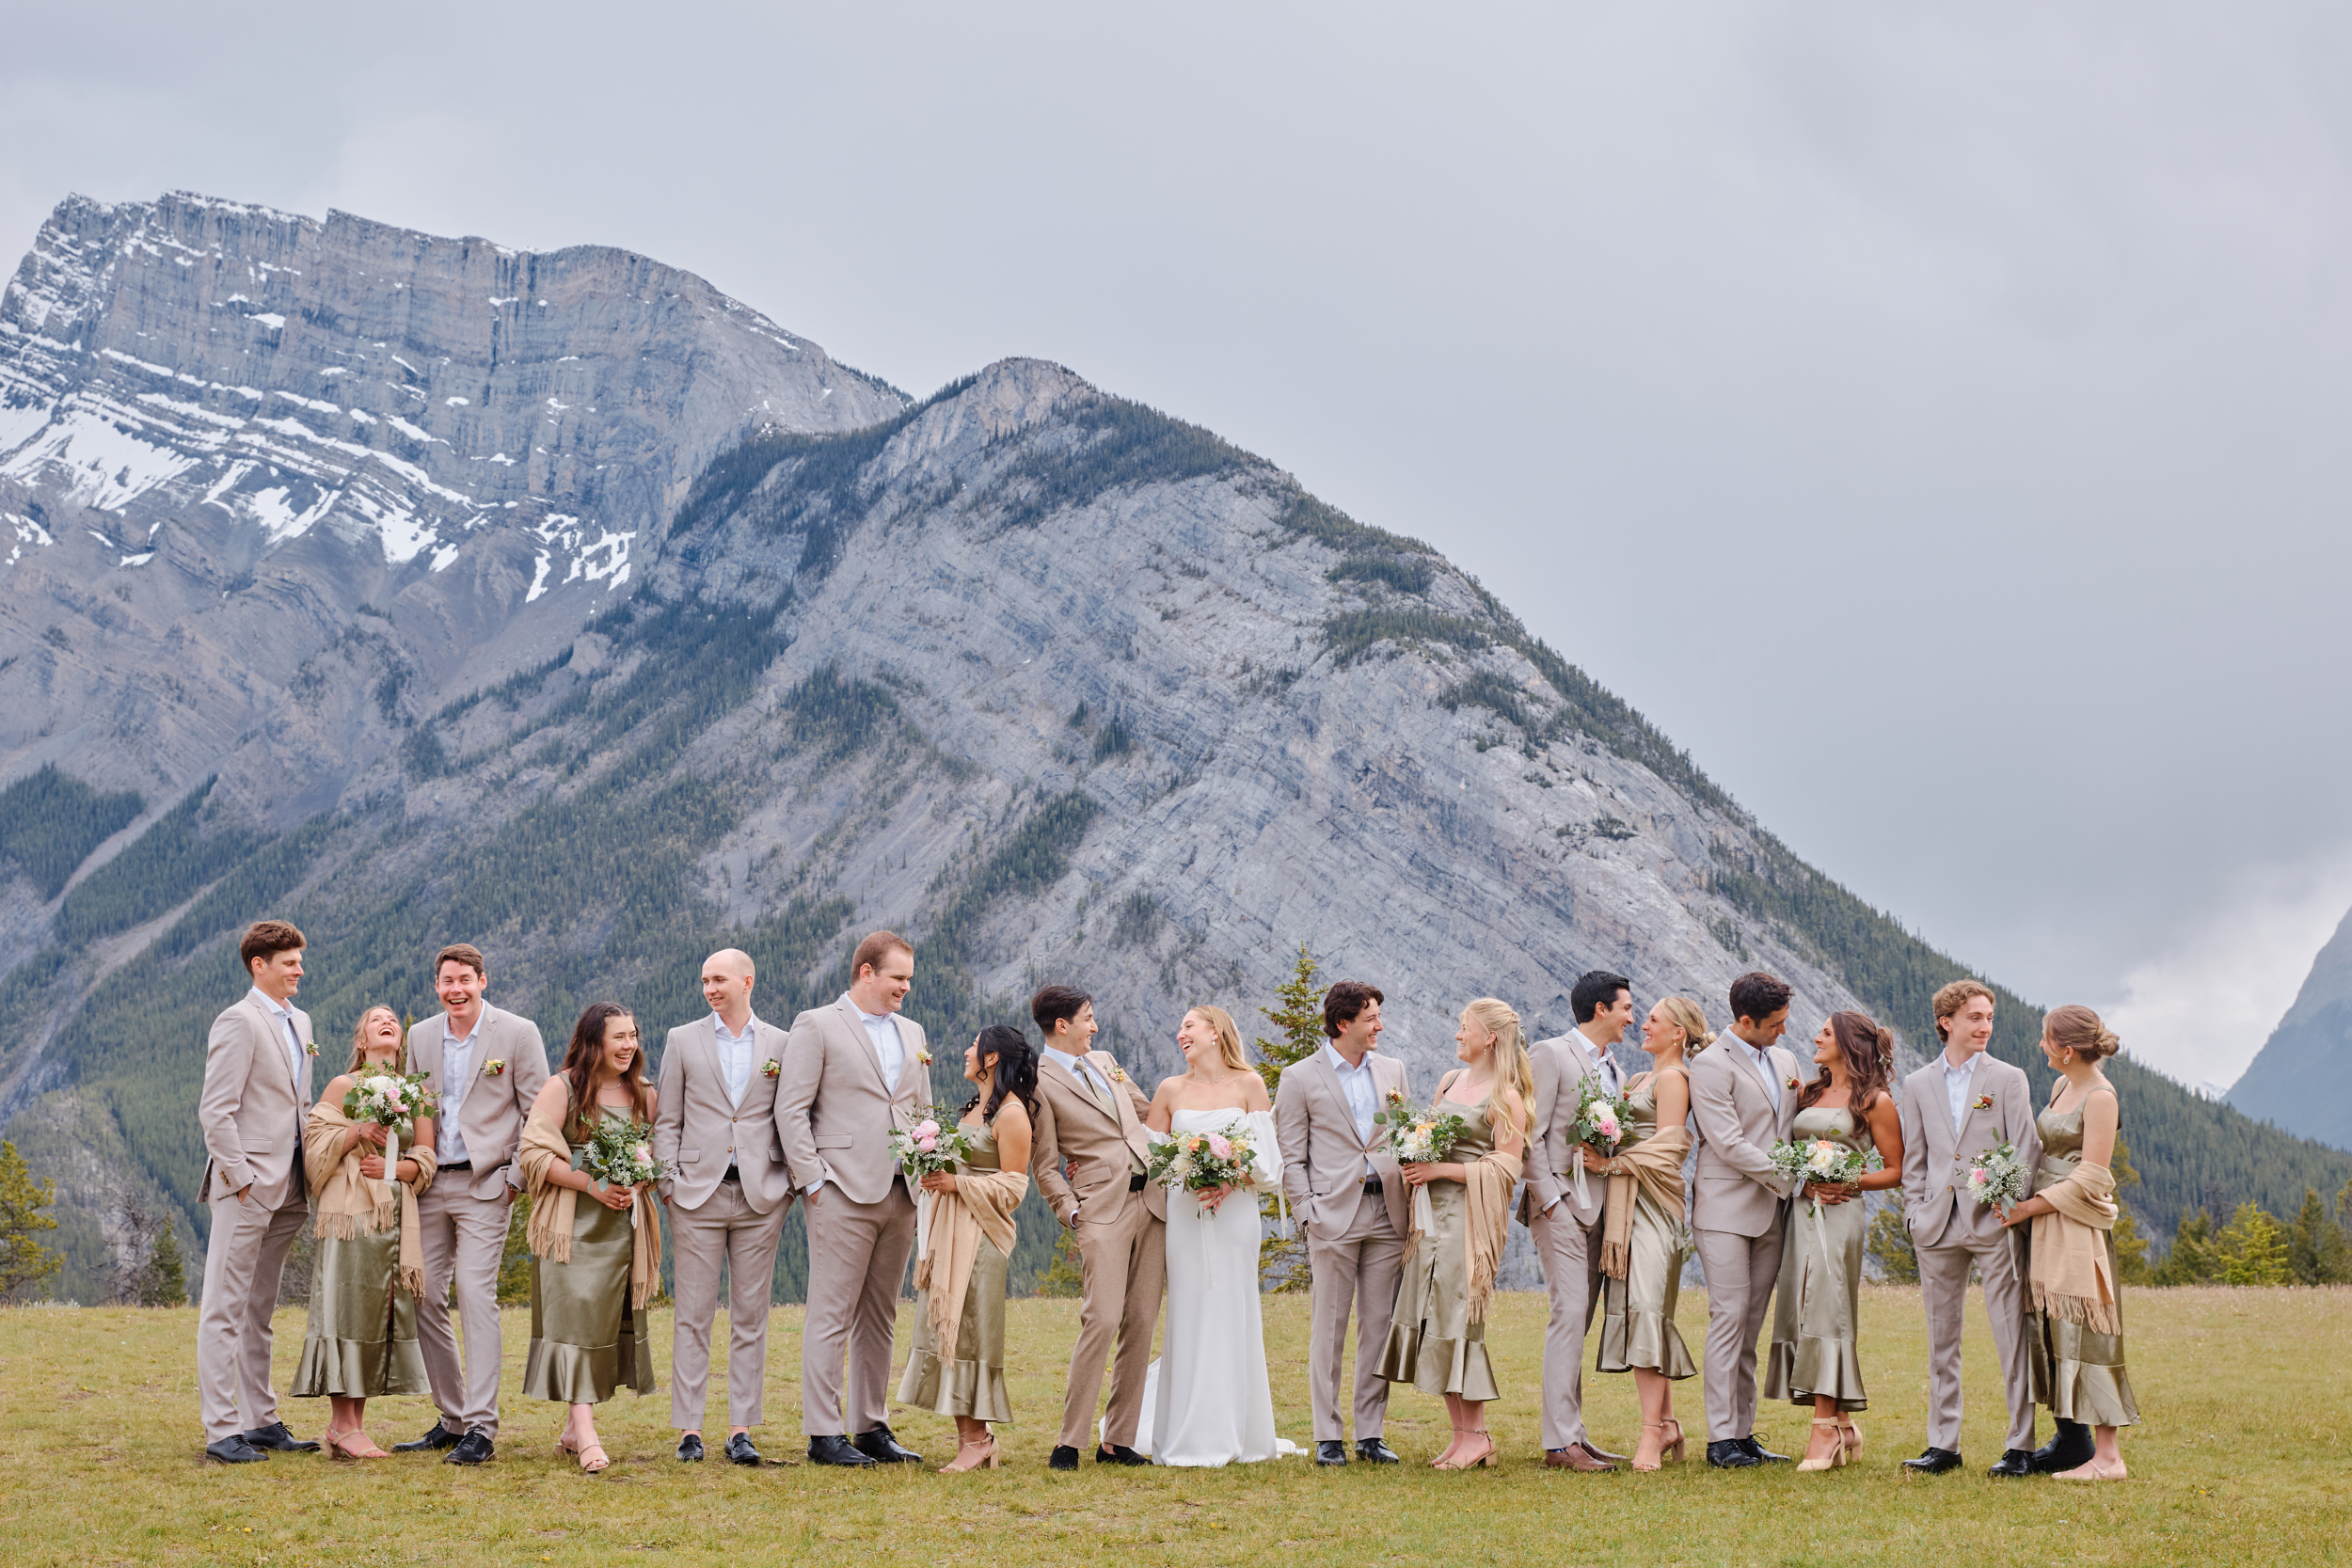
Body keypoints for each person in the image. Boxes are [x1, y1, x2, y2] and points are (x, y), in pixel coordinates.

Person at [774, 930, 929, 1466]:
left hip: (901, 1190)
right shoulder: (817, 1025)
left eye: (908, 979)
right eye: (898, 978)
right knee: (830, 1312)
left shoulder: (912, 1031)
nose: (905, 988)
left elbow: (919, 1109)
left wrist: (924, 1165)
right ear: (867, 972)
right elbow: (791, 1109)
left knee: (881, 1314)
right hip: (839, 1188)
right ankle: (823, 1433)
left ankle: (871, 1427)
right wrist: (814, 1181)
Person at [395, 944, 550, 1465]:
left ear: (483, 980)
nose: (455, 989)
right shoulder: (420, 1037)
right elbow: (417, 1106)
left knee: (475, 1294)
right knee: (424, 1295)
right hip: (432, 1182)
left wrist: (515, 1177)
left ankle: (482, 1427)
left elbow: (539, 1111)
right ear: (435, 986)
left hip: (489, 1183)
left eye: (465, 979)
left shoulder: (518, 1032)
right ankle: (453, 1417)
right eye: (446, 981)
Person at [1376, 997, 1533, 1471]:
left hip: (1469, 1219)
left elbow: (1508, 1166)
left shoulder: (1506, 1095)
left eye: (1465, 1028)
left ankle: (1477, 1434)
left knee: (1460, 1317)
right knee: (1433, 1317)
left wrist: (1442, 1168)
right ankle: (1462, 1435)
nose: (1458, 1035)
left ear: (1490, 1036)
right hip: (1429, 1216)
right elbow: (1428, 1131)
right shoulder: (1450, 1081)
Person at [1896, 978, 2042, 1477]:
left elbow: (2025, 1149)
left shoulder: (2008, 1078)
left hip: (1995, 1222)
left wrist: (2009, 1204)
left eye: (1989, 1018)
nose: (1985, 1026)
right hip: (1936, 1226)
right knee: (1942, 1339)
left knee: (2010, 1334)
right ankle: (1944, 1446)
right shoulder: (1917, 1085)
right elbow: (1915, 1159)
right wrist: (1914, 1211)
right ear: (1947, 1022)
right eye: (1975, 1018)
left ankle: (2020, 1445)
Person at [653, 948, 795, 1465]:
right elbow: (667, 1119)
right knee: (692, 1314)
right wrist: (668, 1186)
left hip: (762, 1194)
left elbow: (791, 1111)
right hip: (696, 1193)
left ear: (747, 981)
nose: (710, 988)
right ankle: (690, 1430)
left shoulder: (781, 1042)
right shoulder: (682, 1040)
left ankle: (741, 1430)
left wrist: (789, 1183)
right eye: (704, 981)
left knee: (750, 1316)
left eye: (718, 980)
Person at [195, 919, 324, 1463]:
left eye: (299, 960)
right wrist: (242, 1178)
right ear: (259, 966)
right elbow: (215, 1111)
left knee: (260, 1308)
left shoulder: (300, 1021)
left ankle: (261, 1419)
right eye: (290, 962)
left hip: (291, 1187)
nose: (300, 969)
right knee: (224, 1306)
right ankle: (222, 1430)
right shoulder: (238, 1021)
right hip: (248, 1187)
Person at [1027, 982, 1167, 1470]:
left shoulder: (1106, 1061)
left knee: (1142, 1320)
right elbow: (1044, 1164)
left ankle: (1118, 1440)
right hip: (1100, 1211)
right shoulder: (1038, 1081)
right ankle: (1069, 1440)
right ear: (1062, 1025)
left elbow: (1150, 1114)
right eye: (1089, 1018)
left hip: (1153, 1202)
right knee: (1102, 1319)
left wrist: (1217, 1135)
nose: (1096, 1026)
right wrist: (1070, 1211)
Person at [1273, 978, 1410, 1467]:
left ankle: (1370, 1434)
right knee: (1328, 1327)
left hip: (1387, 1212)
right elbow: (1290, 1156)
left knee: (1378, 1326)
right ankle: (1328, 1434)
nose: (1380, 1025)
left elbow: (1403, 1135)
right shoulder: (1299, 1076)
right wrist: (1307, 1209)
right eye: (1371, 1017)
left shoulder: (1393, 1069)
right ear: (1343, 1023)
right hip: (1330, 1214)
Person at [519, 1003, 661, 1473]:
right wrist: (591, 1185)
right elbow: (533, 1152)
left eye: (633, 1036)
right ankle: (586, 1433)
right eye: (618, 1037)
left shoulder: (643, 1093)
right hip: (571, 1225)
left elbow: (655, 1151)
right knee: (573, 1322)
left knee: (599, 1327)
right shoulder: (562, 1088)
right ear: (593, 1041)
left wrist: (637, 1183)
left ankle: (570, 1428)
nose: (628, 1046)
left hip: (622, 1229)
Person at [1140, 1006, 1284, 1466]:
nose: (1180, 1033)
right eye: (1179, 1026)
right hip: (1185, 1212)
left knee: (1232, 1309)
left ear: (1216, 1032)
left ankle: (1238, 1430)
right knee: (1191, 1309)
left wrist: (1229, 1177)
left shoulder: (1249, 1085)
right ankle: (1188, 1428)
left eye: (1188, 1025)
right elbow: (1147, 1155)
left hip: (1236, 1214)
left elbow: (1269, 1161)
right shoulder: (1170, 1090)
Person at [1761, 1009, 1903, 1471]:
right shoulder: (1809, 1092)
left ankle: (1823, 1429)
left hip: (1841, 1212)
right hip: (1800, 1209)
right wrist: (1805, 1180)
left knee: (1827, 1300)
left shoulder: (1875, 1101)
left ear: (1847, 1042)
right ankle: (1842, 1423)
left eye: (1825, 1033)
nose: (1816, 1038)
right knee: (1803, 1301)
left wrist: (1850, 1180)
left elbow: (1895, 1170)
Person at [292, 1005, 437, 1458]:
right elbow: (314, 1145)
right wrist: (357, 1133)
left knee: (378, 1312)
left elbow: (428, 1159)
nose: (386, 1022)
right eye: (376, 1019)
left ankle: (353, 1425)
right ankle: (340, 1423)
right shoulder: (343, 1085)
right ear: (361, 1041)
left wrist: (395, 1168)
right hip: (350, 1214)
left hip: (395, 1217)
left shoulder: (418, 1093)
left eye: (392, 1018)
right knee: (346, 1307)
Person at [2001, 1005, 2137, 1481]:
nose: (2041, 1046)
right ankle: (2070, 1440)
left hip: (2074, 1221)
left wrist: (2029, 1207)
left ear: (2067, 1049)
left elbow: (2093, 1175)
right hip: (2046, 1219)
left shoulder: (2100, 1097)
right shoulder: (2063, 1086)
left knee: (2087, 1323)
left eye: (2046, 1039)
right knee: (2052, 1324)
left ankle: (2109, 1457)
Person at [898, 1024, 1036, 1472]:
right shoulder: (976, 1106)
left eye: (974, 1047)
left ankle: (977, 1441)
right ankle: (973, 1440)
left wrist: (956, 1183)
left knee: (970, 1333)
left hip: (980, 1240)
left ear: (992, 1058)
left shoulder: (1012, 1114)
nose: (965, 1052)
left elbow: (1015, 1185)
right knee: (946, 1330)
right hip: (949, 1232)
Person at [1518, 969, 1635, 1471]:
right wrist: (1550, 1202)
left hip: (1602, 1209)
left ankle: (1573, 1434)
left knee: (1580, 1319)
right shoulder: (1550, 1054)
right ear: (1601, 1009)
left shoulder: (1615, 1069)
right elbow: (1530, 1133)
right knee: (1568, 1314)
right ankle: (1558, 1442)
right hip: (1562, 1205)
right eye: (1626, 1007)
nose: (1632, 1016)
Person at [1688, 970, 1804, 1467]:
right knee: (1728, 1317)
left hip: (1772, 1210)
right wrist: (1793, 1174)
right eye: (1774, 1024)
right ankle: (1719, 1439)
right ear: (1744, 1020)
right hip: (1724, 1209)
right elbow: (1728, 1143)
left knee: (1751, 1323)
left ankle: (1743, 1431)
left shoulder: (1784, 1058)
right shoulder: (1711, 1065)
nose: (1782, 1032)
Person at [1592, 996, 1705, 1471]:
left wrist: (1611, 1163)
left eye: (1653, 1020)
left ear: (1678, 1033)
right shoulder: (1638, 1079)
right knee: (1642, 1309)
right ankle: (1669, 1424)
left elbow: (1668, 1149)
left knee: (1648, 1308)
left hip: (1656, 1208)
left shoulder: (1674, 1079)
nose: (1643, 1025)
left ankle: (1650, 1434)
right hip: (1627, 1206)